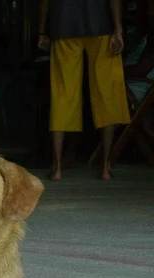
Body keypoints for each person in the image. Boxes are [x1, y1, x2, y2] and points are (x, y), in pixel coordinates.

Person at [38, 0, 130, 181]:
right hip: (101, 25)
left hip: (63, 26)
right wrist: (118, 28)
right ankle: (105, 167)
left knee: (63, 95)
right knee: (106, 93)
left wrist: (42, 31)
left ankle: (57, 168)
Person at [124, 0, 154, 104]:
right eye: (150, 9)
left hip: (132, 95)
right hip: (122, 88)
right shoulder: (146, 38)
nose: (151, 13)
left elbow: (140, 70)